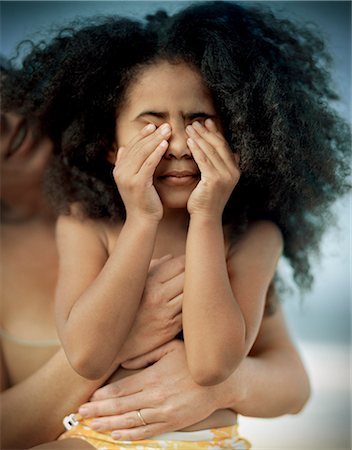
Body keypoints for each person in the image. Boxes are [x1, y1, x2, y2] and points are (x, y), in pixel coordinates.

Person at [2, 0, 349, 447]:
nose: (181, 144)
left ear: (241, 134)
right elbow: (87, 355)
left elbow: (212, 366)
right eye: (153, 126)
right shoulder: (86, 224)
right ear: (109, 144)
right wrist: (141, 219)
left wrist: (207, 217)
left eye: (200, 121)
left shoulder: (252, 236)